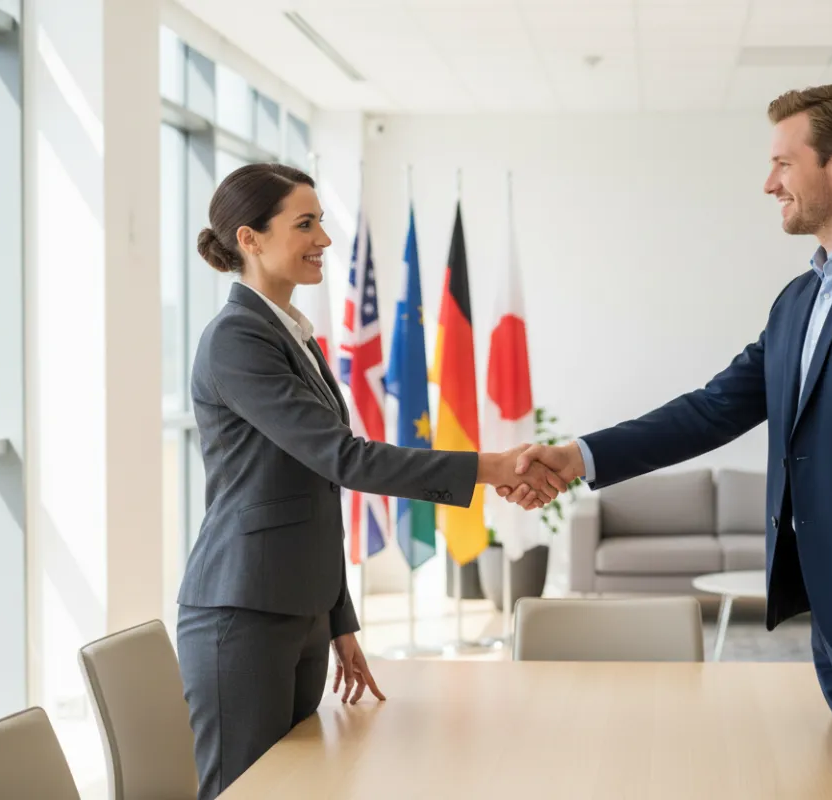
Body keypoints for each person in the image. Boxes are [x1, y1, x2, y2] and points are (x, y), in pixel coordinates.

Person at [501, 85, 832, 800]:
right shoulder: (798, 300)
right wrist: (578, 458)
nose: (769, 183)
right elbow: (710, 410)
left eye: (784, 163)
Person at [176, 162, 562, 800]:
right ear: (250, 239)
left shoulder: (292, 337)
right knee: (246, 791)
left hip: (294, 608)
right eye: (305, 224)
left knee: (300, 784)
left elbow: (310, 494)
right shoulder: (237, 339)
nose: (324, 239)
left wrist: (337, 619)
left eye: (322, 221)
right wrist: (487, 468)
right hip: (240, 612)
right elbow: (343, 460)